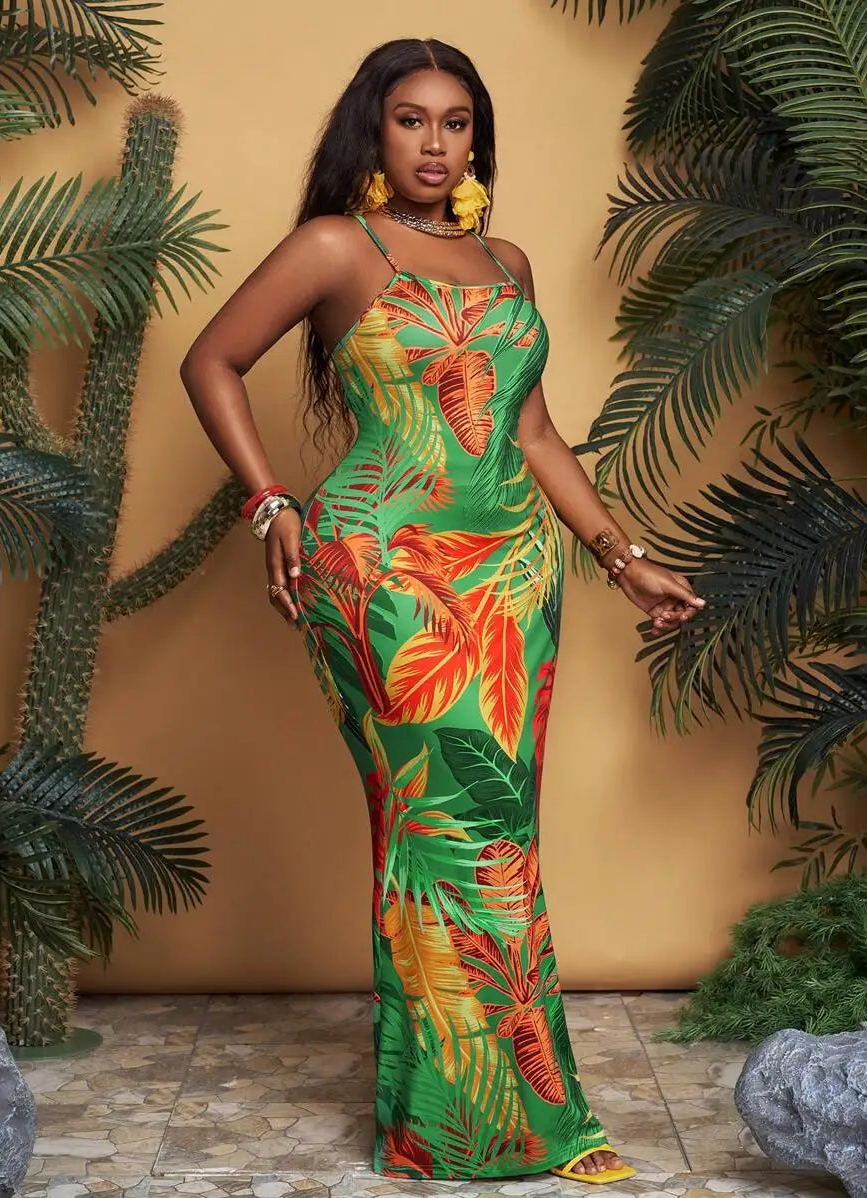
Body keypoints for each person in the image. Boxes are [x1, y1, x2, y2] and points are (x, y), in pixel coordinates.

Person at [179, 35, 706, 1184]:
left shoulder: (505, 263)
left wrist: (622, 556)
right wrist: (273, 508)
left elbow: (530, 432)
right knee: (447, 834)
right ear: (373, 129)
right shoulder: (337, 246)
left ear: (478, 137)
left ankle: (461, 1119)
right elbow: (211, 359)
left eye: (456, 121)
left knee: (494, 838)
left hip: (515, 579)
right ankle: (504, 1124)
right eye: (411, 118)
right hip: (386, 575)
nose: (435, 141)